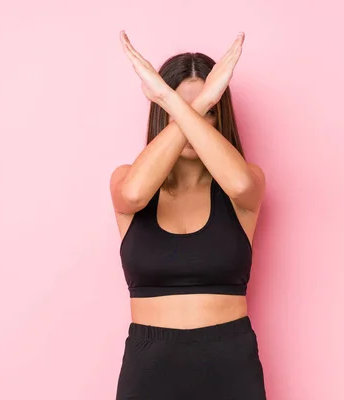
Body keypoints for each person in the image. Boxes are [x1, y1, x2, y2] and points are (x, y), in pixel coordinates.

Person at [110, 30, 267, 399]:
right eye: (174, 108)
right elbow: (133, 194)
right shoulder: (126, 180)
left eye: (208, 110)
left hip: (230, 366)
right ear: (160, 114)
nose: (194, 124)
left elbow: (241, 185)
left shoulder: (245, 185)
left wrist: (170, 100)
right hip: (148, 370)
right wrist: (191, 104)